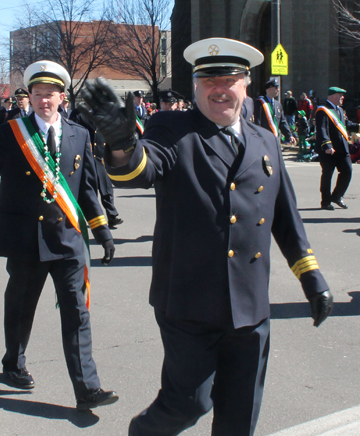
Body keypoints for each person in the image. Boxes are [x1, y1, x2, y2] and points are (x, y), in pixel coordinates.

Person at [79, 37, 333, 436]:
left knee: (240, 415)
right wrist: (122, 144)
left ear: (245, 84)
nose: (219, 88)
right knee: (186, 405)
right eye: (208, 79)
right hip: (188, 304)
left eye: (230, 79)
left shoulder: (265, 140)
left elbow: (286, 217)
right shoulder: (172, 129)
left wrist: (311, 277)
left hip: (250, 306)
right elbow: (139, 172)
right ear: (196, 87)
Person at [0, 60, 119, 410]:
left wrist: (102, 231)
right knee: (21, 308)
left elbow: (86, 188)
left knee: (77, 313)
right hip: (26, 240)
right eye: (38, 94)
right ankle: (14, 362)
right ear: (30, 97)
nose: (44, 100)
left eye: (50, 94)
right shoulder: (13, 132)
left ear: (62, 97)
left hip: (68, 240)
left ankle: (87, 388)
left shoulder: (79, 134)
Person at [70, 107, 124, 227]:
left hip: (102, 157)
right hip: (86, 158)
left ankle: (112, 215)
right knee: (90, 190)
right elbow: (73, 135)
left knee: (107, 188)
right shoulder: (78, 114)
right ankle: (94, 219)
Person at [316, 86, 359, 210]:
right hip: (329, 149)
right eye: (340, 95)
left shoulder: (340, 110)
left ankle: (337, 196)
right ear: (333, 96)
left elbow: (347, 125)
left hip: (342, 148)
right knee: (327, 174)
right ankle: (325, 201)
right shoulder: (323, 110)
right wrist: (327, 145)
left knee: (347, 171)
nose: (342, 98)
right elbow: (322, 129)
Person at [254, 79, 296, 146]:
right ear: (269, 89)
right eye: (276, 88)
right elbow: (257, 122)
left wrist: (289, 135)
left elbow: (282, 122)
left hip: (275, 139)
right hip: (264, 139)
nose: (278, 89)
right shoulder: (260, 103)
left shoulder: (278, 104)